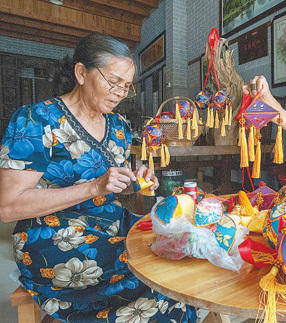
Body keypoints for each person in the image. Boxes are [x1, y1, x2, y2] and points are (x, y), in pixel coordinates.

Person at [0, 33, 197, 322]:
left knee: (177, 245)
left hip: (110, 223)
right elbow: (8, 207)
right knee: (153, 273)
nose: (120, 92)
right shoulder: (36, 120)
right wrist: (93, 187)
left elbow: (114, 185)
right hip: (53, 238)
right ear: (81, 73)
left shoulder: (119, 126)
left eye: (126, 86)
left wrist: (135, 181)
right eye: (113, 81)